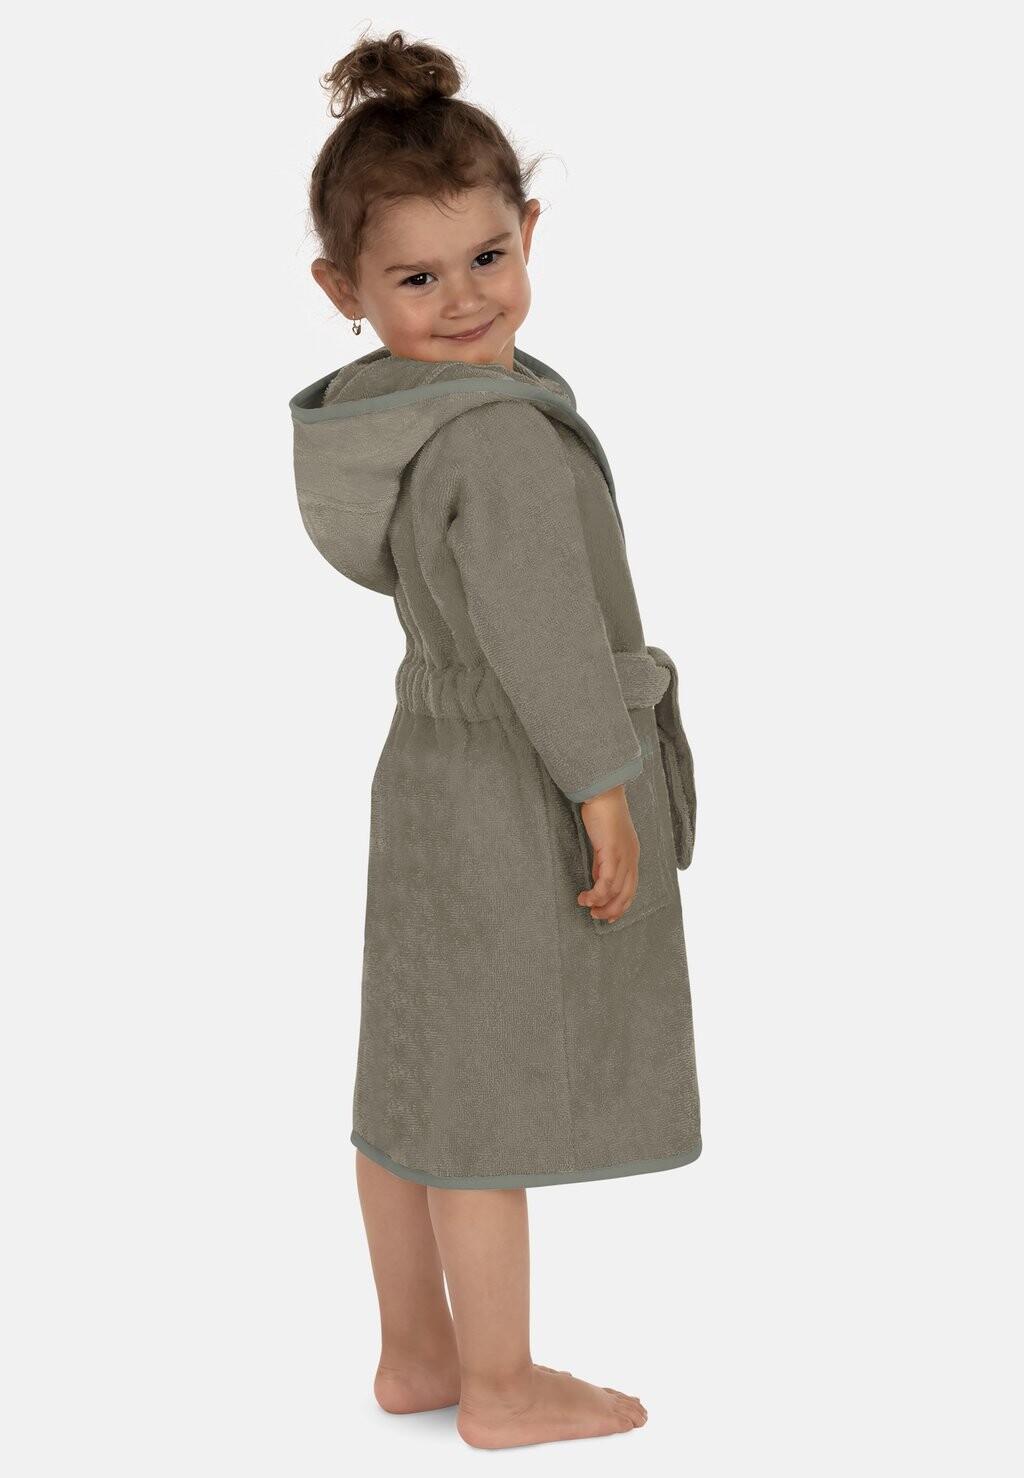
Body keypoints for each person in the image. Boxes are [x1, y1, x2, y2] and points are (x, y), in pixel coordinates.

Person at [289, 28, 702, 1451]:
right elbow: (544, 637)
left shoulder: (408, 421)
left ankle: (417, 1353)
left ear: (530, 231)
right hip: (516, 777)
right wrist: (603, 786)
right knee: (486, 1099)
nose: (464, 299)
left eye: (486, 257)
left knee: (413, 1069)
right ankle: (504, 1385)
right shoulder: (501, 438)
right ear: (341, 291)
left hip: (425, 770)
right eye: (415, 278)